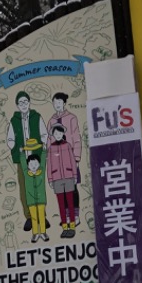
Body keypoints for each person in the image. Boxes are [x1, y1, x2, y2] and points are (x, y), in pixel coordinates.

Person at [6, 91, 47, 231]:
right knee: (24, 188)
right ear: (17, 105)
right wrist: (13, 146)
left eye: (25, 102)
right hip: (22, 159)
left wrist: (44, 144)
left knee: (39, 186)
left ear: (29, 103)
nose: (23, 105)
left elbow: (44, 134)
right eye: (20, 102)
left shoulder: (36, 117)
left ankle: (42, 215)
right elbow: (10, 138)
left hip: (36, 157)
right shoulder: (14, 121)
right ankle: (29, 216)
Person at [47, 92, 82, 224]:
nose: (57, 106)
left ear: (64, 103)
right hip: (56, 161)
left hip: (70, 158)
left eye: (59, 103)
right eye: (55, 103)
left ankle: (76, 215)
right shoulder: (51, 120)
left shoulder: (71, 118)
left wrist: (77, 157)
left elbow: (77, 138)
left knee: (72, 187)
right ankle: (67, 215)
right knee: (61, 190)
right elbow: (49, 141)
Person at [47, 123, 78, 238]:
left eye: (60, 133)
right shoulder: (51, 148)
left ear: (63, 133)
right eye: (56, 133)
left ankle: (72, 226)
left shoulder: (68, 145)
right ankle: (65, 227)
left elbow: (73, 161)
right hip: (57, 179)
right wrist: (50, 179)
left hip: (69, 176)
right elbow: (49, 165)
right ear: (54, 135)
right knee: (61, 204)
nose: (58, 135)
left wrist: (75, 176)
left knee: (70, 202)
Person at [24, 149, 49, 242]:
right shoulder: (27, 174)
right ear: (28, 165)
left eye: (35, 164)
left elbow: (43, 161)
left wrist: (43, 150)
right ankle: (35, 234)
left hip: (41, 199)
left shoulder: (41, 171)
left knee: (41, 216)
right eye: (31, 164)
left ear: (39, 164)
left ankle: (43, 232)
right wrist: (22, 153)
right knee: (33, 217)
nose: (33, 166)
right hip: (31, 200)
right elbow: (23, 163)